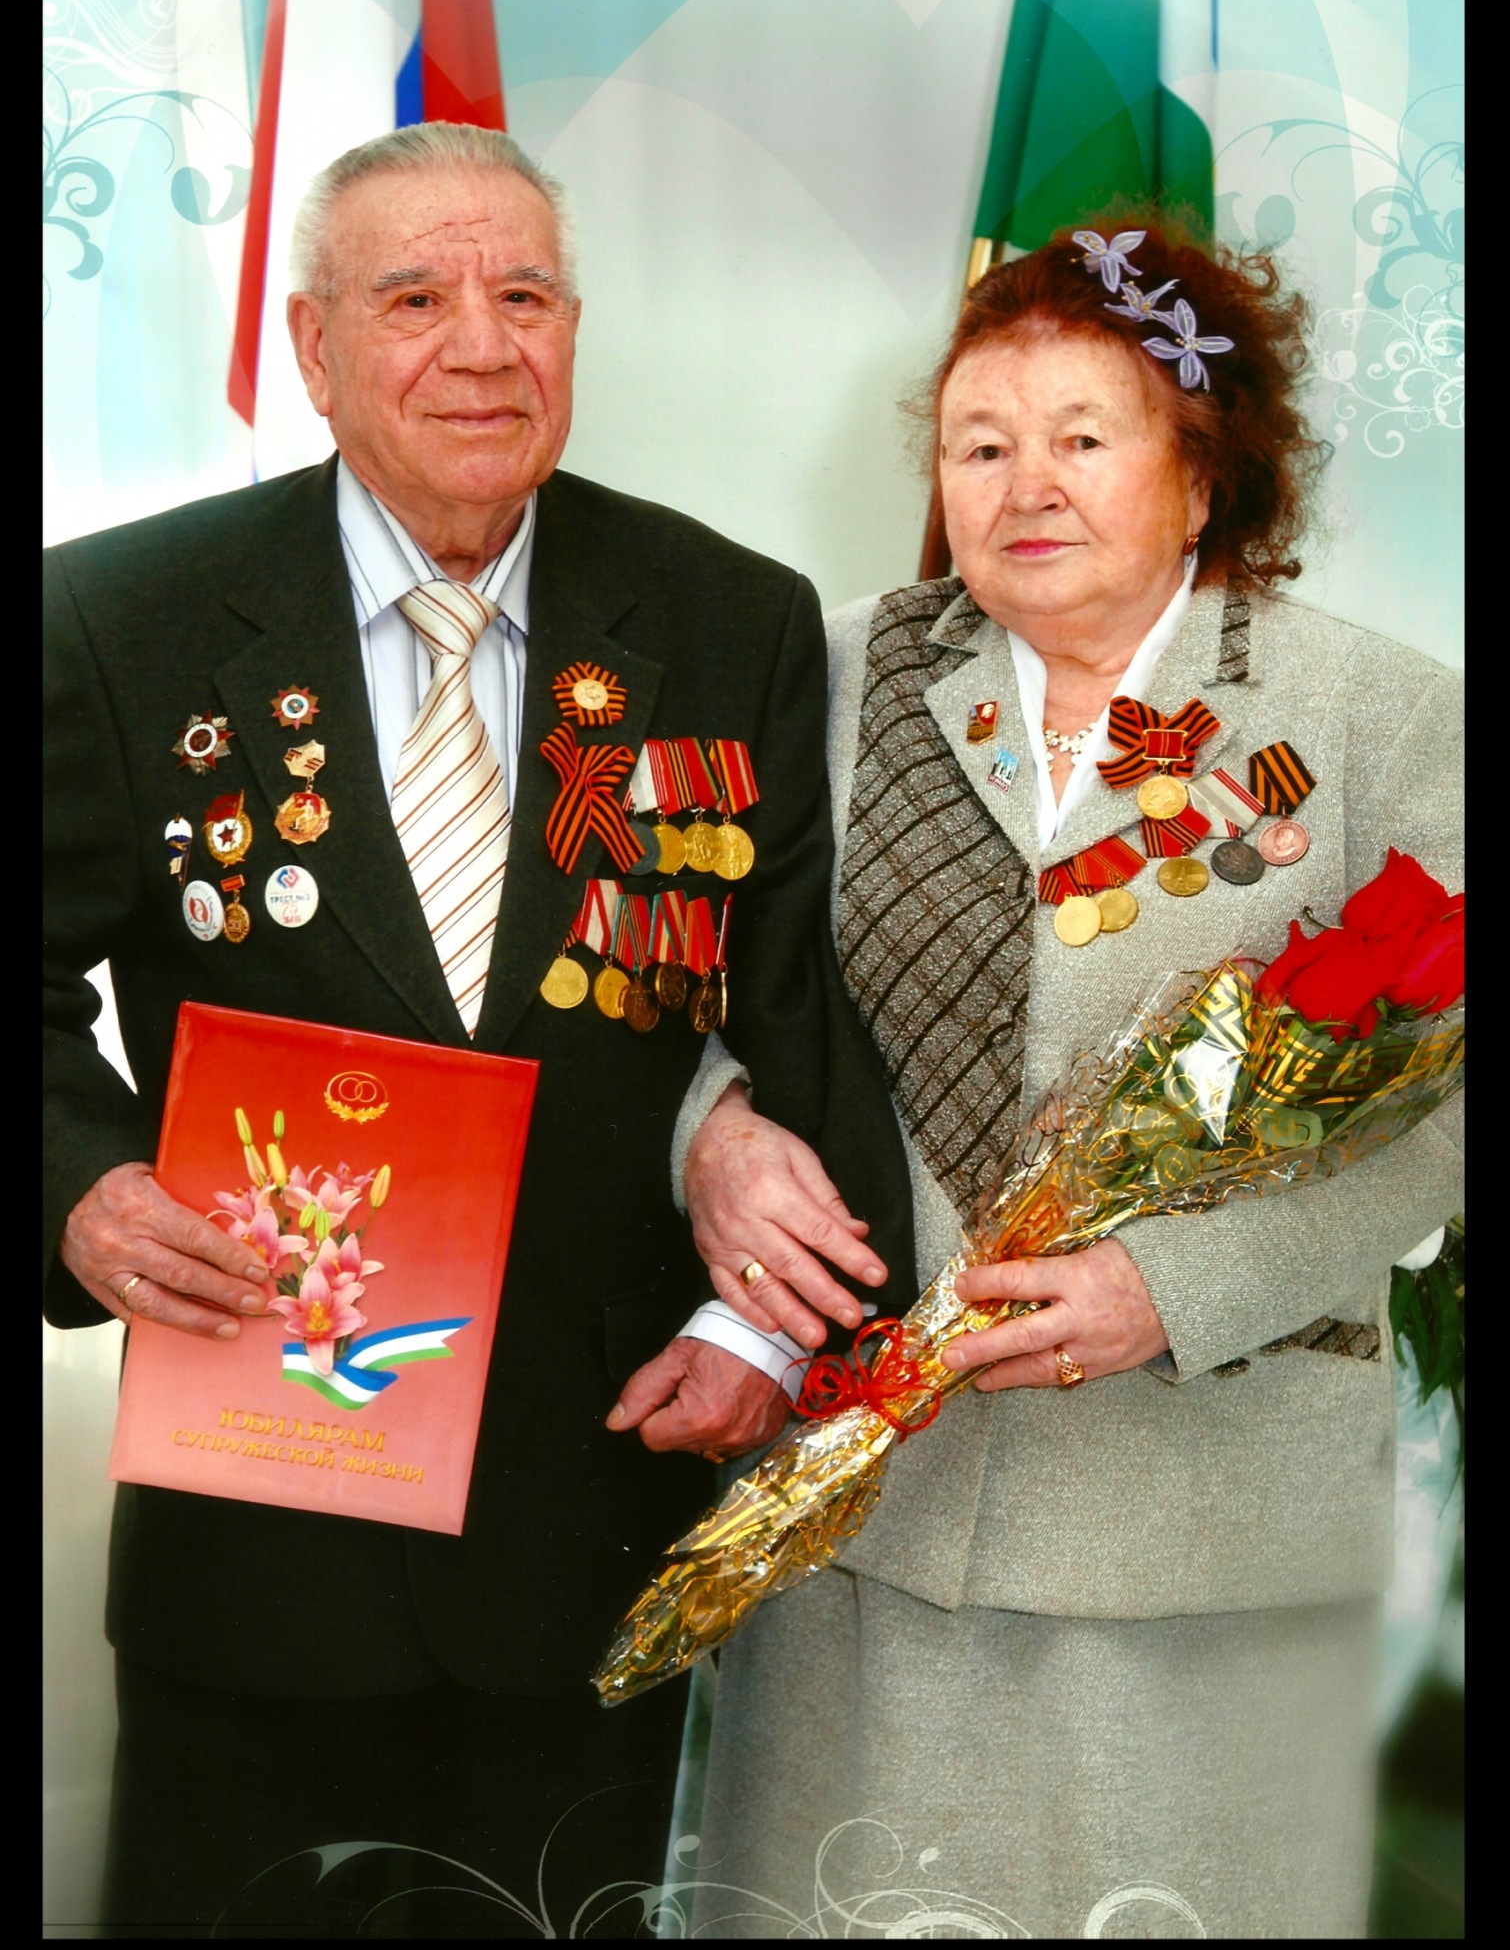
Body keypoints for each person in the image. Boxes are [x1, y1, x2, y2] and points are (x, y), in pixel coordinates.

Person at [42, 123, 913, 1937]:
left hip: (594, 1503)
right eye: (414, 299)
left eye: (524, 295)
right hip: (254, 1517)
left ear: (574, 330)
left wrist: (754, 1321)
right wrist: (82, 1185)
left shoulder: (726, 617)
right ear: (313, 346)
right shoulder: (116, 619)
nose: (481, 346)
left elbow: (798, 1007)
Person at [679, 216, 1464, 1938]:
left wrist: (1173, 1288)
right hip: (862, 1509)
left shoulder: (1379, 718)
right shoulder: (834, 675)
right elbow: (696, 969)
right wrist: (707, 1133)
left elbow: (1448, 1108)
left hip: (1201, 1528)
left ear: (1202, 474)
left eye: (1081, 438)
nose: (1022, 484)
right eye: (978, 446)